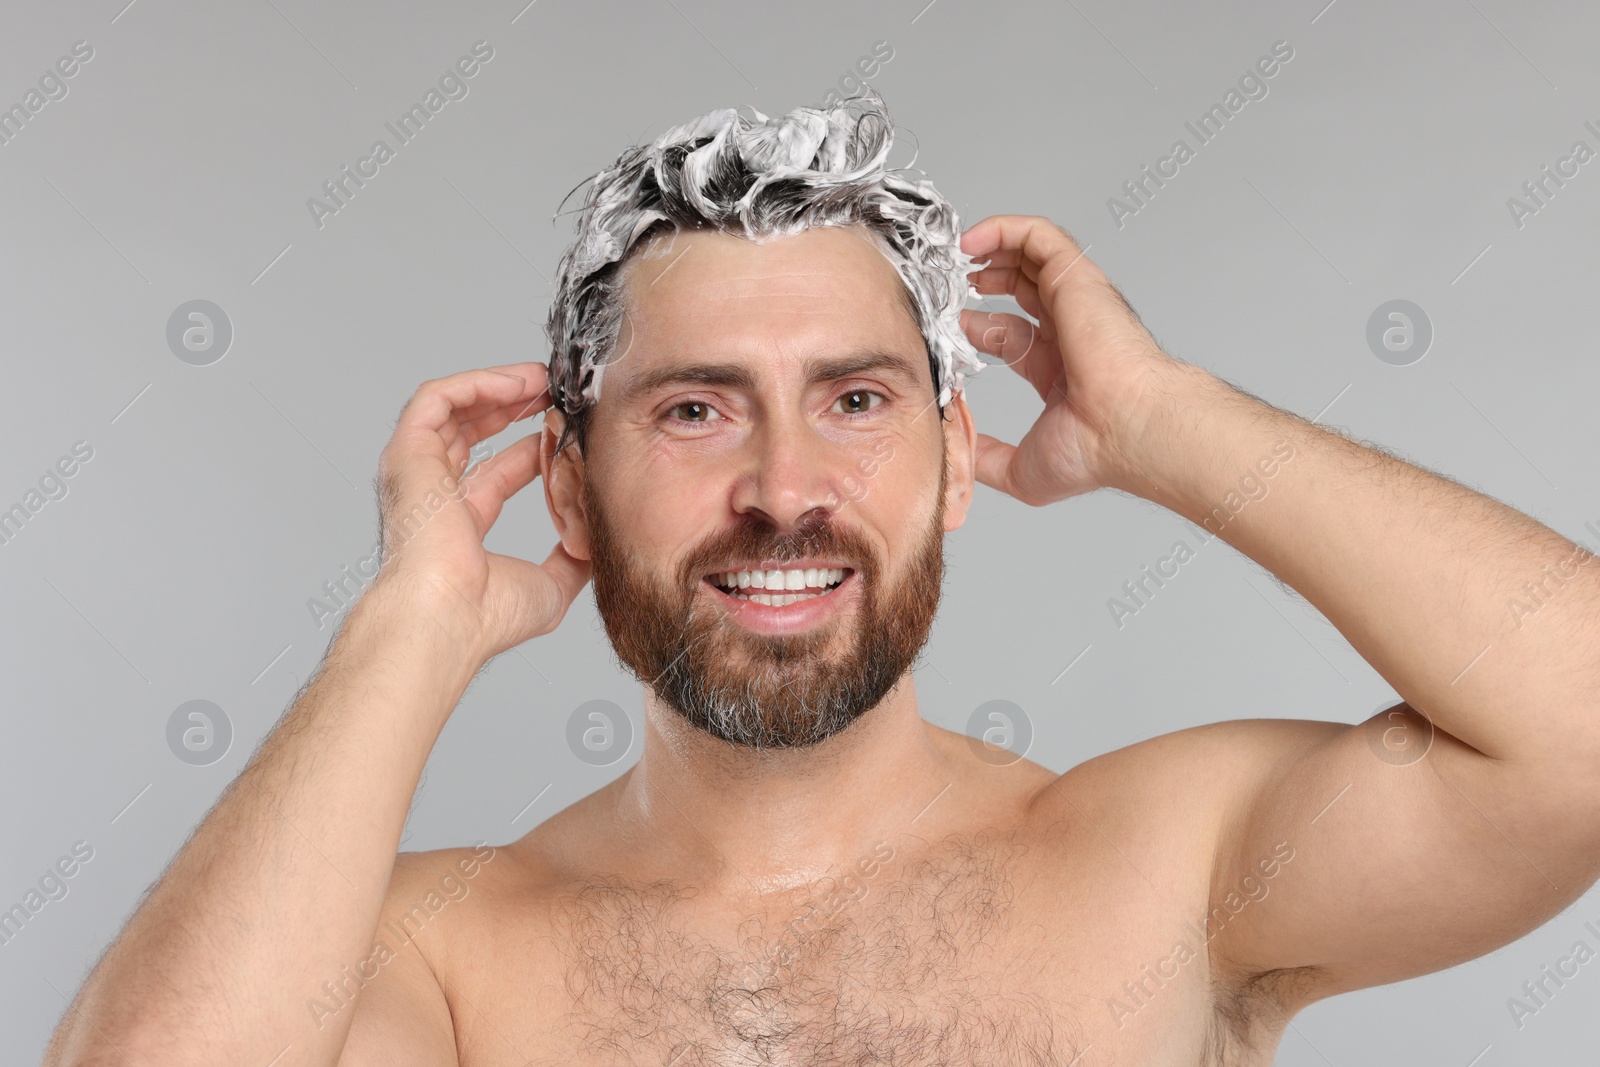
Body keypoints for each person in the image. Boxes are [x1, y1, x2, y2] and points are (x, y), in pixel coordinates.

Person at [46, 92, 1600, 1067]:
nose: (785, 492)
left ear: (948, 460)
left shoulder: (1166, 870)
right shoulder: (445, 961)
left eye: (856, 402)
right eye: (695, 407)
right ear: (574, 484)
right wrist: (407, 632)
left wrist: (1169, 426)